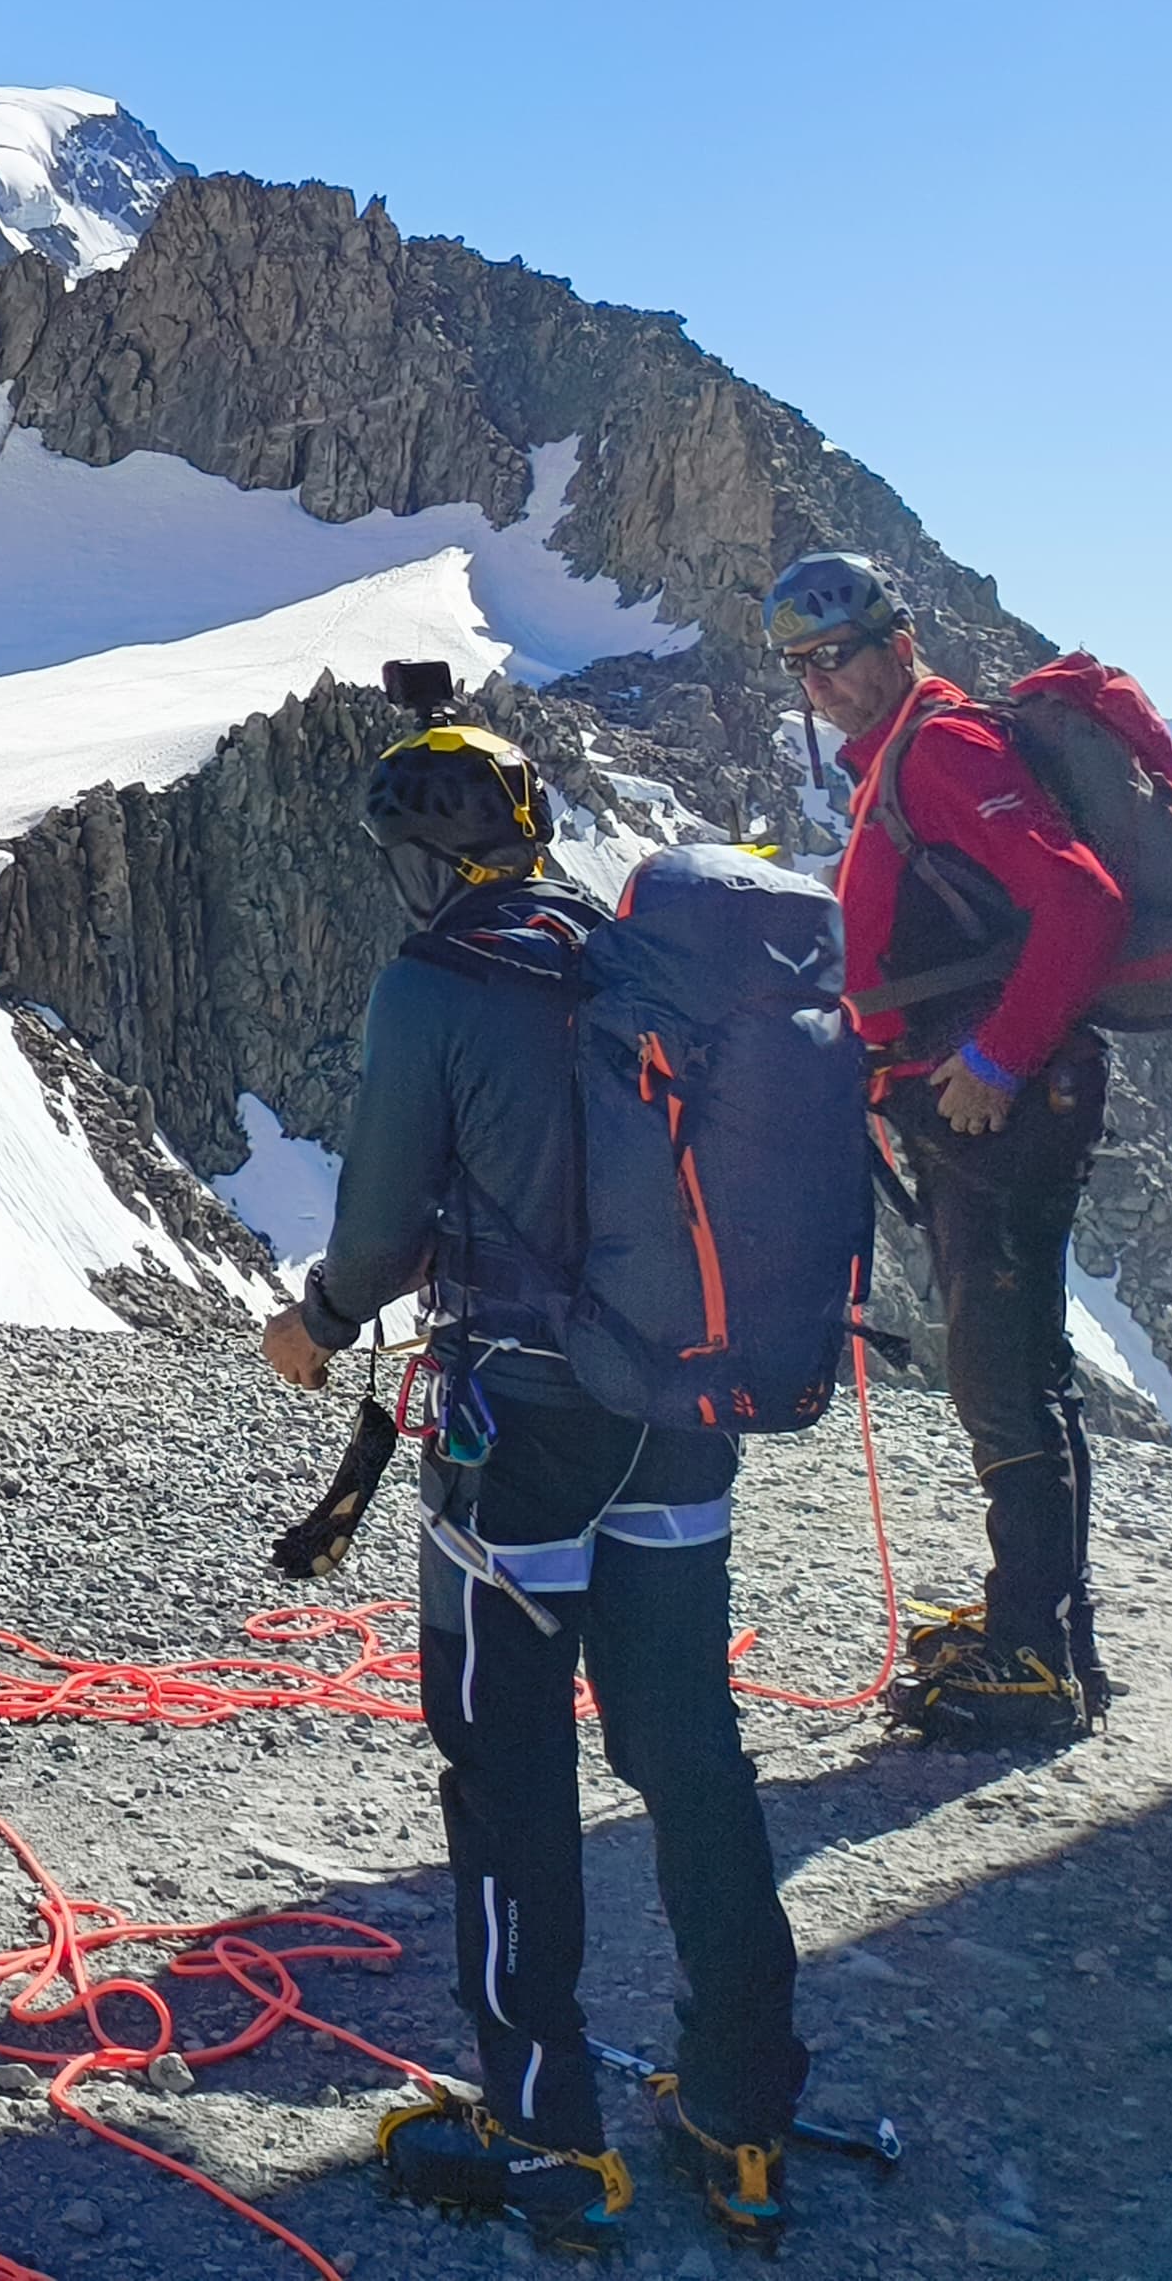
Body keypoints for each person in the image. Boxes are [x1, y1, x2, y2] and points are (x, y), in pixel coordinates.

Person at [266, 694, 807, 2248]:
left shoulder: (435, 980)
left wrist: (316, 1324)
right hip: (678, 1405)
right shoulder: (634, 954)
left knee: (507, 1763)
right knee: (685, 1740)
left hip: (523, 1414)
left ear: (419, 857)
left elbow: (378, 1218)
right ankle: (742, 2101)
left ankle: (541, 2121)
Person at [770, 549, 1131, 1750]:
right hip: (979, 1108)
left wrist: (993, 1061)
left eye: (837, 654)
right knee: (1005, 1363)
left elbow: (1079, 902)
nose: (821, 682)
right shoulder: (899, 758)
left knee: (998, 1369)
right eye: (800, 666)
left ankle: (1033, 1659)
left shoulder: (943, 750)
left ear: (895, 640)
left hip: (1004, 1108)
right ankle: (1043, 1631)